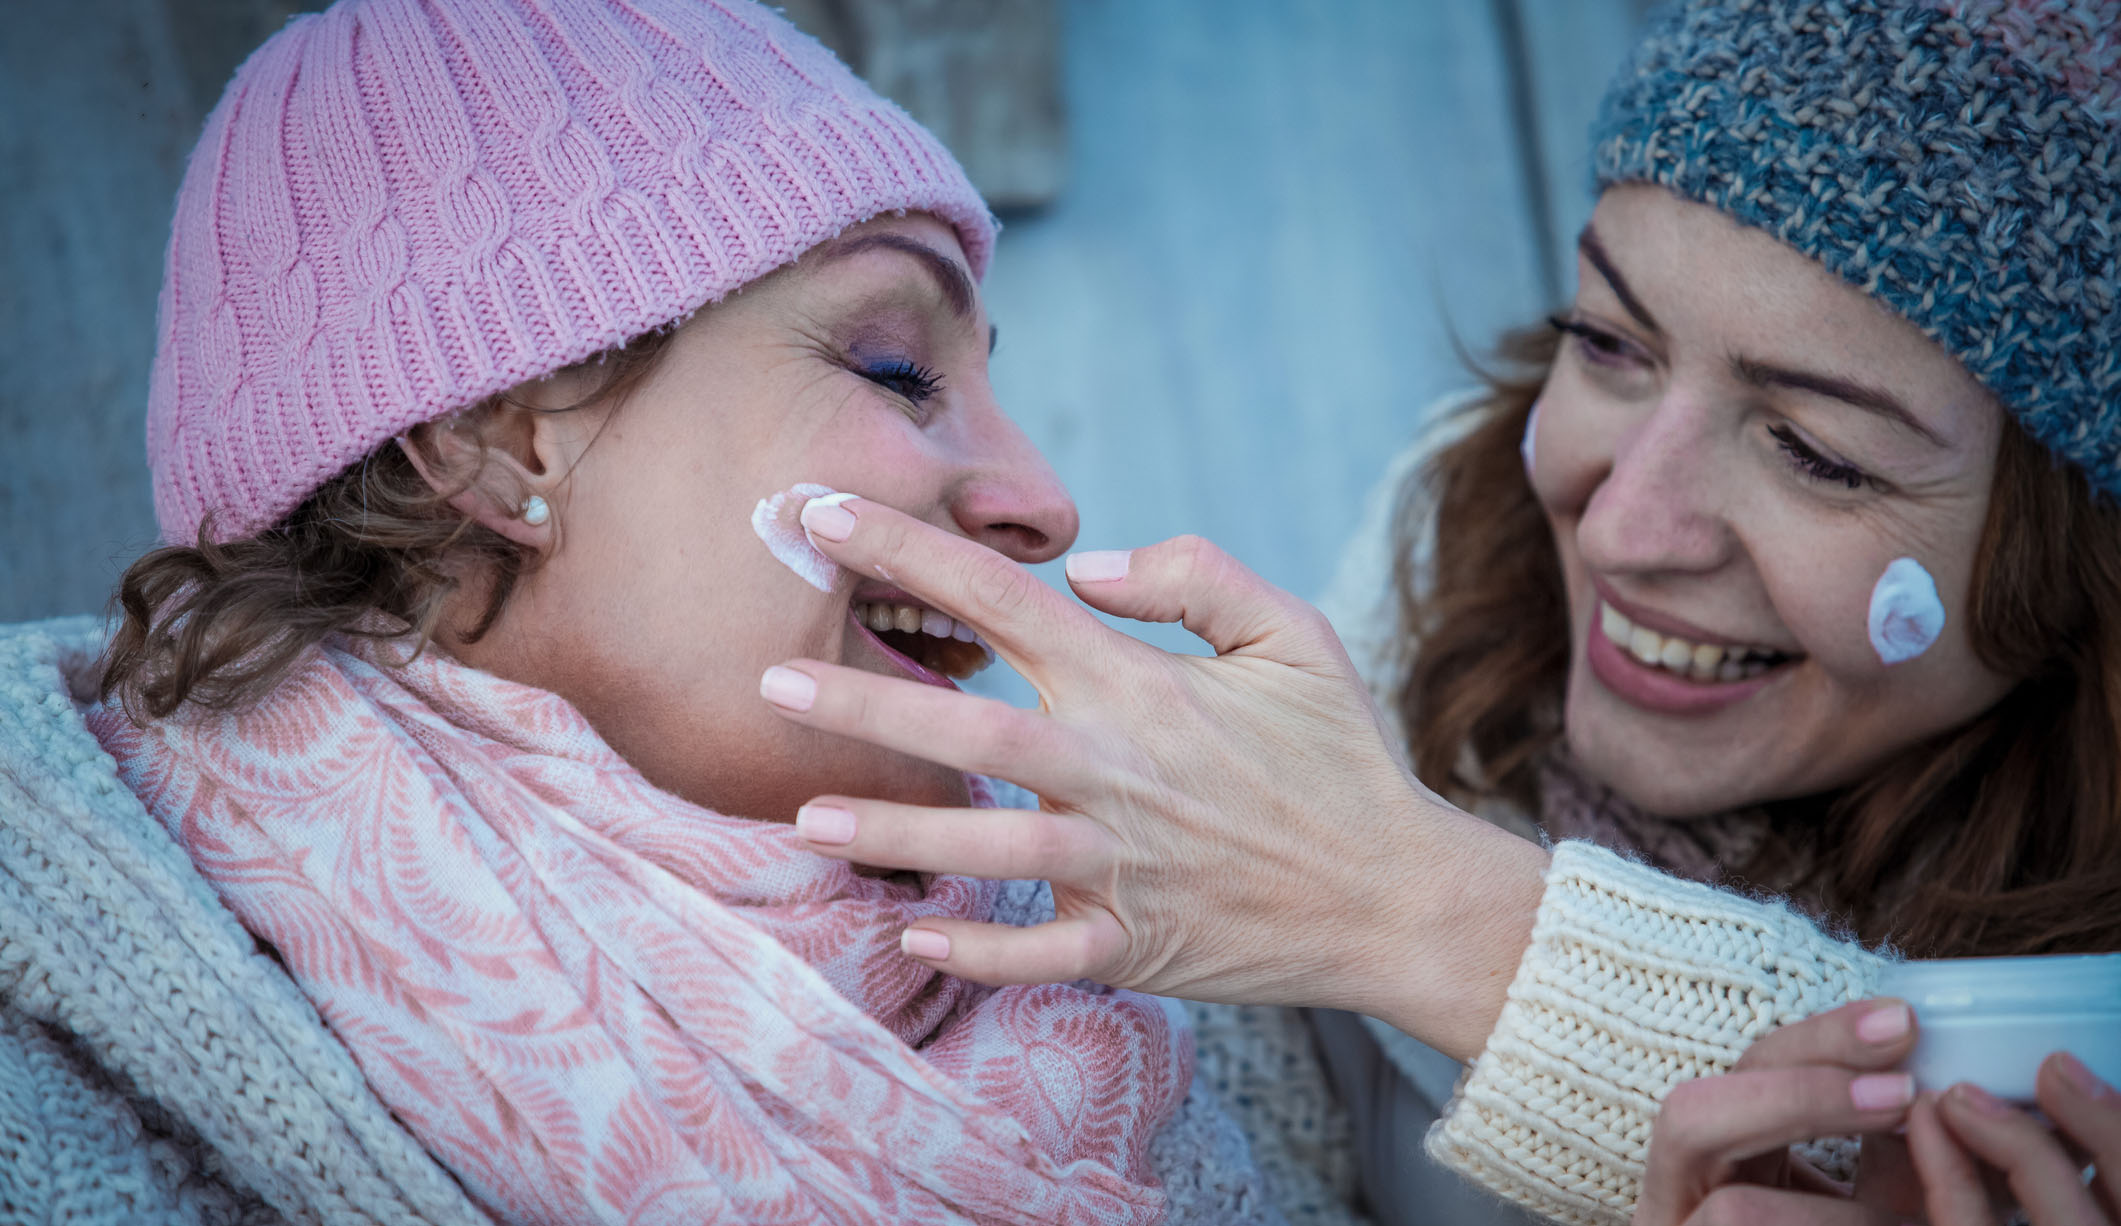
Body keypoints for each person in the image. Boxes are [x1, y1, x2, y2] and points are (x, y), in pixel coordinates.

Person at [756, 1, 2121, 1222]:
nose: (1627, 526)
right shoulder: (1432, 587)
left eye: (1816, 452)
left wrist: (1411, 904)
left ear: (2074, 547)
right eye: (1606, 343)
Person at [0, 0, 1311, 1221]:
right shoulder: (50, 1052)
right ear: (499, 444)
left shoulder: (1144, 961)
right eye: (899, 367)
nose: (1042, 498)